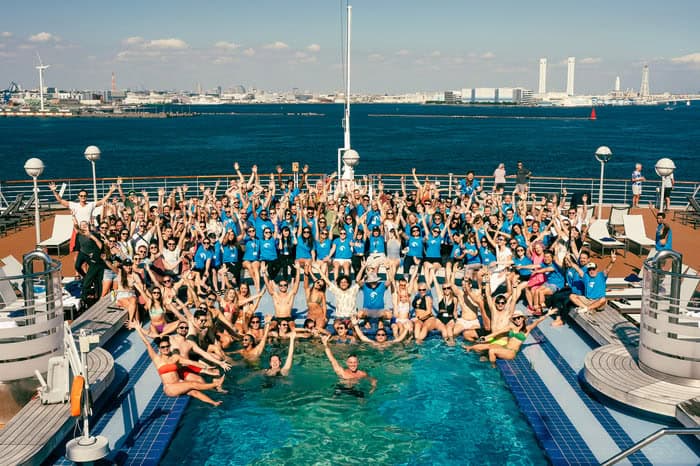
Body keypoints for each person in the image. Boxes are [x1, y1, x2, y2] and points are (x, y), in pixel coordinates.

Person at [135, 325, 224, 406]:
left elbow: (191, 362)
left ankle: (213, 402)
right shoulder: (157, 359)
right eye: (163, 347)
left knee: (194, 392)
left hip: (179, 382)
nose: (165, 348)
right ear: (159, 349)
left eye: (167, 346)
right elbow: (147, 343)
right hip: (170, 387)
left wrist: (206, 367)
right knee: (193, 384)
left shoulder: (175, 357)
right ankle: (215, 384)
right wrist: (138, 329)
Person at [465, 310, 547, 367]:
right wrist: (484, 338)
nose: (517, 320)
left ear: (522, 318)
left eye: (519, 318)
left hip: (511, 352)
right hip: (505, 348)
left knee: (492, 351)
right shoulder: (511, 327)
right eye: (515, 319)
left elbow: (537, 321)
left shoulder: (526, 329)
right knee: (489, 345)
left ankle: (492, 367)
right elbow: (496, 333)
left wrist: (548, 314)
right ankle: (469, 347)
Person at [567, 252, 616, 316]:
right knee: (572, 296)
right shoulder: (586, 276)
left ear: (597, 269)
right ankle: (587, 308)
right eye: (590, 270)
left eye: (593, 269)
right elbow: (577, 268)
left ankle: (586, 308)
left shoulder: (601, 275)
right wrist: (569, 259)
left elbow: (607, 269)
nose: (592, 271)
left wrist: (612, 262)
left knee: (603, 299)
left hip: (598, 301)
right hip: (587, 300)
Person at [262, 262, 301, 330]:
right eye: (281, 285)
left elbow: (297, 282)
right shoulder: (274, 294)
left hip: (288, 318)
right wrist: (264, 273)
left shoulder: (291, 294)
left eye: (285, 285)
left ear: (287, 286)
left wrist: (298, 270)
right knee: (269, 328)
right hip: (277, 318)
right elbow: (267, 284)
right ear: (278, 286)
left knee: (293, 329)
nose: (283, 287)